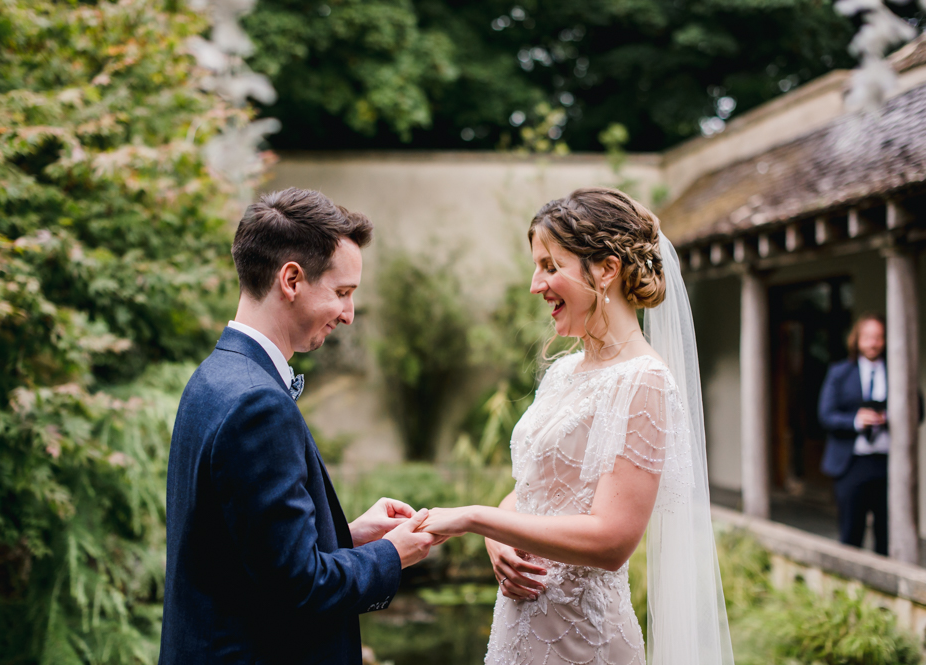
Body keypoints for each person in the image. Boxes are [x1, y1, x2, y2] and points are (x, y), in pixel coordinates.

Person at [420, 188, 733, 665]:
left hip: (583, 642)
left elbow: (612, 540)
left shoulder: (644, 380)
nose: (535, 284)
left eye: (550, 266)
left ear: (606, 269)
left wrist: (473, 518)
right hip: (520, 632)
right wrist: (497, 536)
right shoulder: (565, 372)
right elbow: (534, 490)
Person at [159, 188, 441, 665]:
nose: (348, 316)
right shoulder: (257, 404)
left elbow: (246, 558)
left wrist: (345, 536)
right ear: (291, 279)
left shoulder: (214, 375)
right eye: (342, 293)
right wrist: (391, 554)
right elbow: (301, 589)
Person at [819, 313, 889, 555]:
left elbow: (918, 408)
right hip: (851, 464)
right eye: (868, 337)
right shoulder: (840, 372)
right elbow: (825, 415)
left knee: (887, 533)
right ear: (857, 339)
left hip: (888, 464)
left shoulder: (897, 371)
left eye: (879, 337)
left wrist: (890, 416)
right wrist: (856, 420)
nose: (873, 342)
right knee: (851, 533)